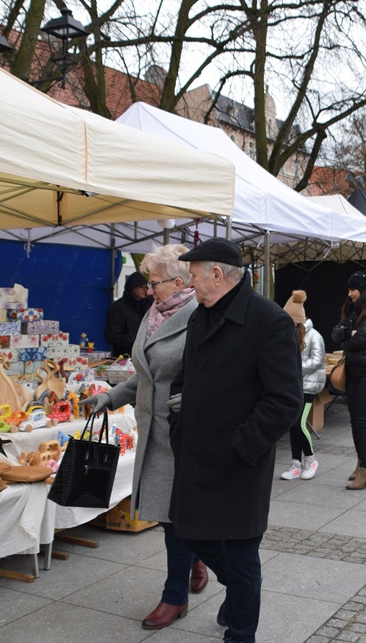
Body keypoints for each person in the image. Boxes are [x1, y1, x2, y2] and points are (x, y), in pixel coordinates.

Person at [169, 237, 302, 643]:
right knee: (189, 533)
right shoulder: (200, 316)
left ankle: (240, 634)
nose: (189, 283)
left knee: (242, 557)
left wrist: (239, 445)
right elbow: (185, 375)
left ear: (216, 274)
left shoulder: (269, 321)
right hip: (196, 455)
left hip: (239, 463)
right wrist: (178, 424)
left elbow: (284, 401)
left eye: (193, 275)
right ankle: (242, 593)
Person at [81, 244, 206, 630]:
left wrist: (198, 397)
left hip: (183, 432)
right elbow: (146, 372)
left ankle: (174, 596)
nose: (149, 290)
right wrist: (110, 397)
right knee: (173, 516)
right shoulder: (153, 314)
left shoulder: (200, 314)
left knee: (175, 518)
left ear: (180, 282)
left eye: (155, 283)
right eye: (149, 282)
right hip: (152, 429)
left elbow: (217, 369)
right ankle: (195, 561)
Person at [331, 269, 366, 490]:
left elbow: (362, 338)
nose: (350, 293)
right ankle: (360, 464)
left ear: (363, 290)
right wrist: (348, 334)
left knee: (362, 421)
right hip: (354, 368)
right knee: (355, 420)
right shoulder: (355, 309)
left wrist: (348, 337)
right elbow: (336, 333)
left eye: (353, 289)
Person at [280, 290, 326, 481]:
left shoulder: (314, 336)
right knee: (292, 424)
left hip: (308, 385)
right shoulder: (289, 335)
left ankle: (310, 459)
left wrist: (292, 368)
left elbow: (317, 361)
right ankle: (295, 463)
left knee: (299, 423)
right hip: (293, 384)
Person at [104, 271, 153, 357]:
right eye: (142, 287)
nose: (145, 290)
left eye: (146, 287)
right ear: (133, 288)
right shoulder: (118, 308)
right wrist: (135, 338)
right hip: (123, 357)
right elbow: (112, 336)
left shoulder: (148, 305)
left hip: (145, 355)